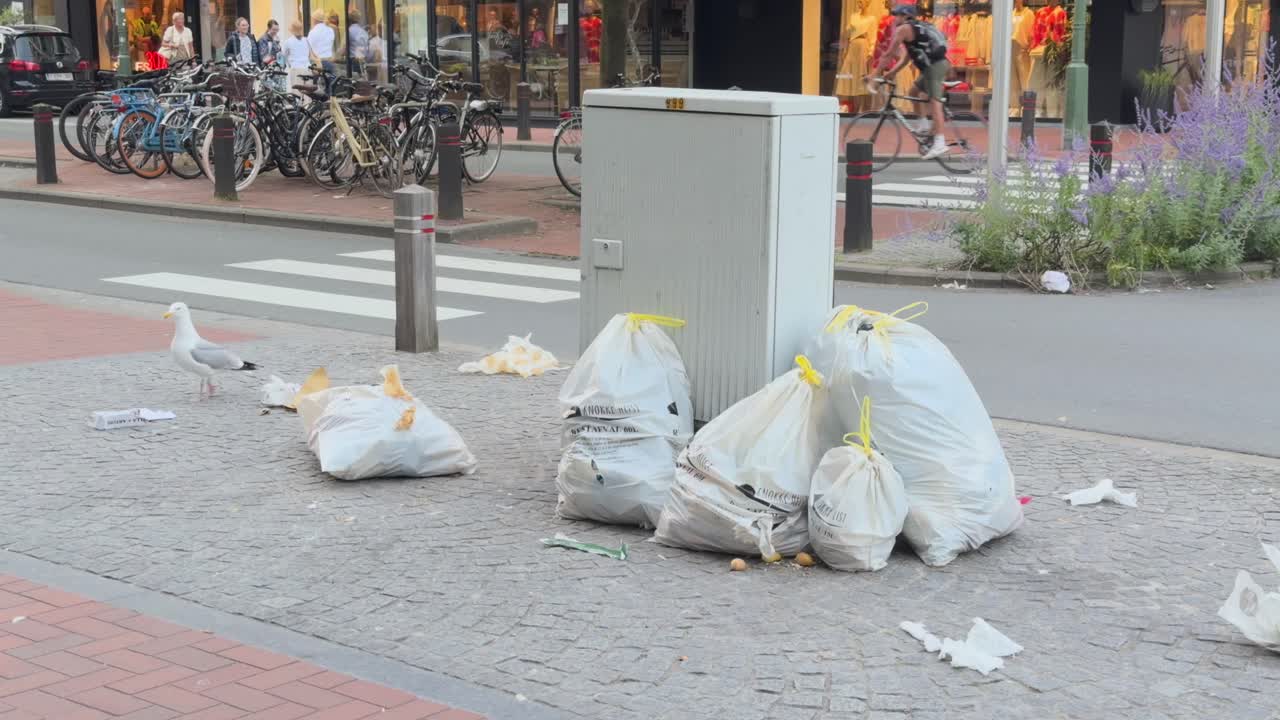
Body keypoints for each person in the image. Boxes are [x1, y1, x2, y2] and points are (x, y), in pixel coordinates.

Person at [869, 4, 951, 160]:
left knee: (935, 103)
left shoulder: (903, 29)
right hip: (930, 67)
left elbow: (888, 54)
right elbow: (907, 58)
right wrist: (891, 73)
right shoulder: (915, 29)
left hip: (935, 67)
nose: (895, 18)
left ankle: (940, 142)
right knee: (913, 92)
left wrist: (874, 75)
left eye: (898, 15)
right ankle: (923, 124)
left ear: (906, 16)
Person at [307, 10, 337, 89]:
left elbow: (309, 48)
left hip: (317, 63)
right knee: (331, 89)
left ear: (314, 19)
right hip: (329, 62)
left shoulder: (313, 32)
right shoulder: (330, 30)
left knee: (316, 89)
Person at [281, 19, 312, 92]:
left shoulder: (288, 42)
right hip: (307, 68)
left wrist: (287, 65)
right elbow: (309, 55)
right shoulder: (306, 40)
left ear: (291, 30)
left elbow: (283, 56)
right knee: (308, 93)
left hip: (296, 69)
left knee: (297, 93)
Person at [347, 10, 369, 77]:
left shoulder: (349, 30)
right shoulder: (363, 31)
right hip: (363, 59)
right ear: (359, 19)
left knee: (355, 81)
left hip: (354, 60)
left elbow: (344, 47)